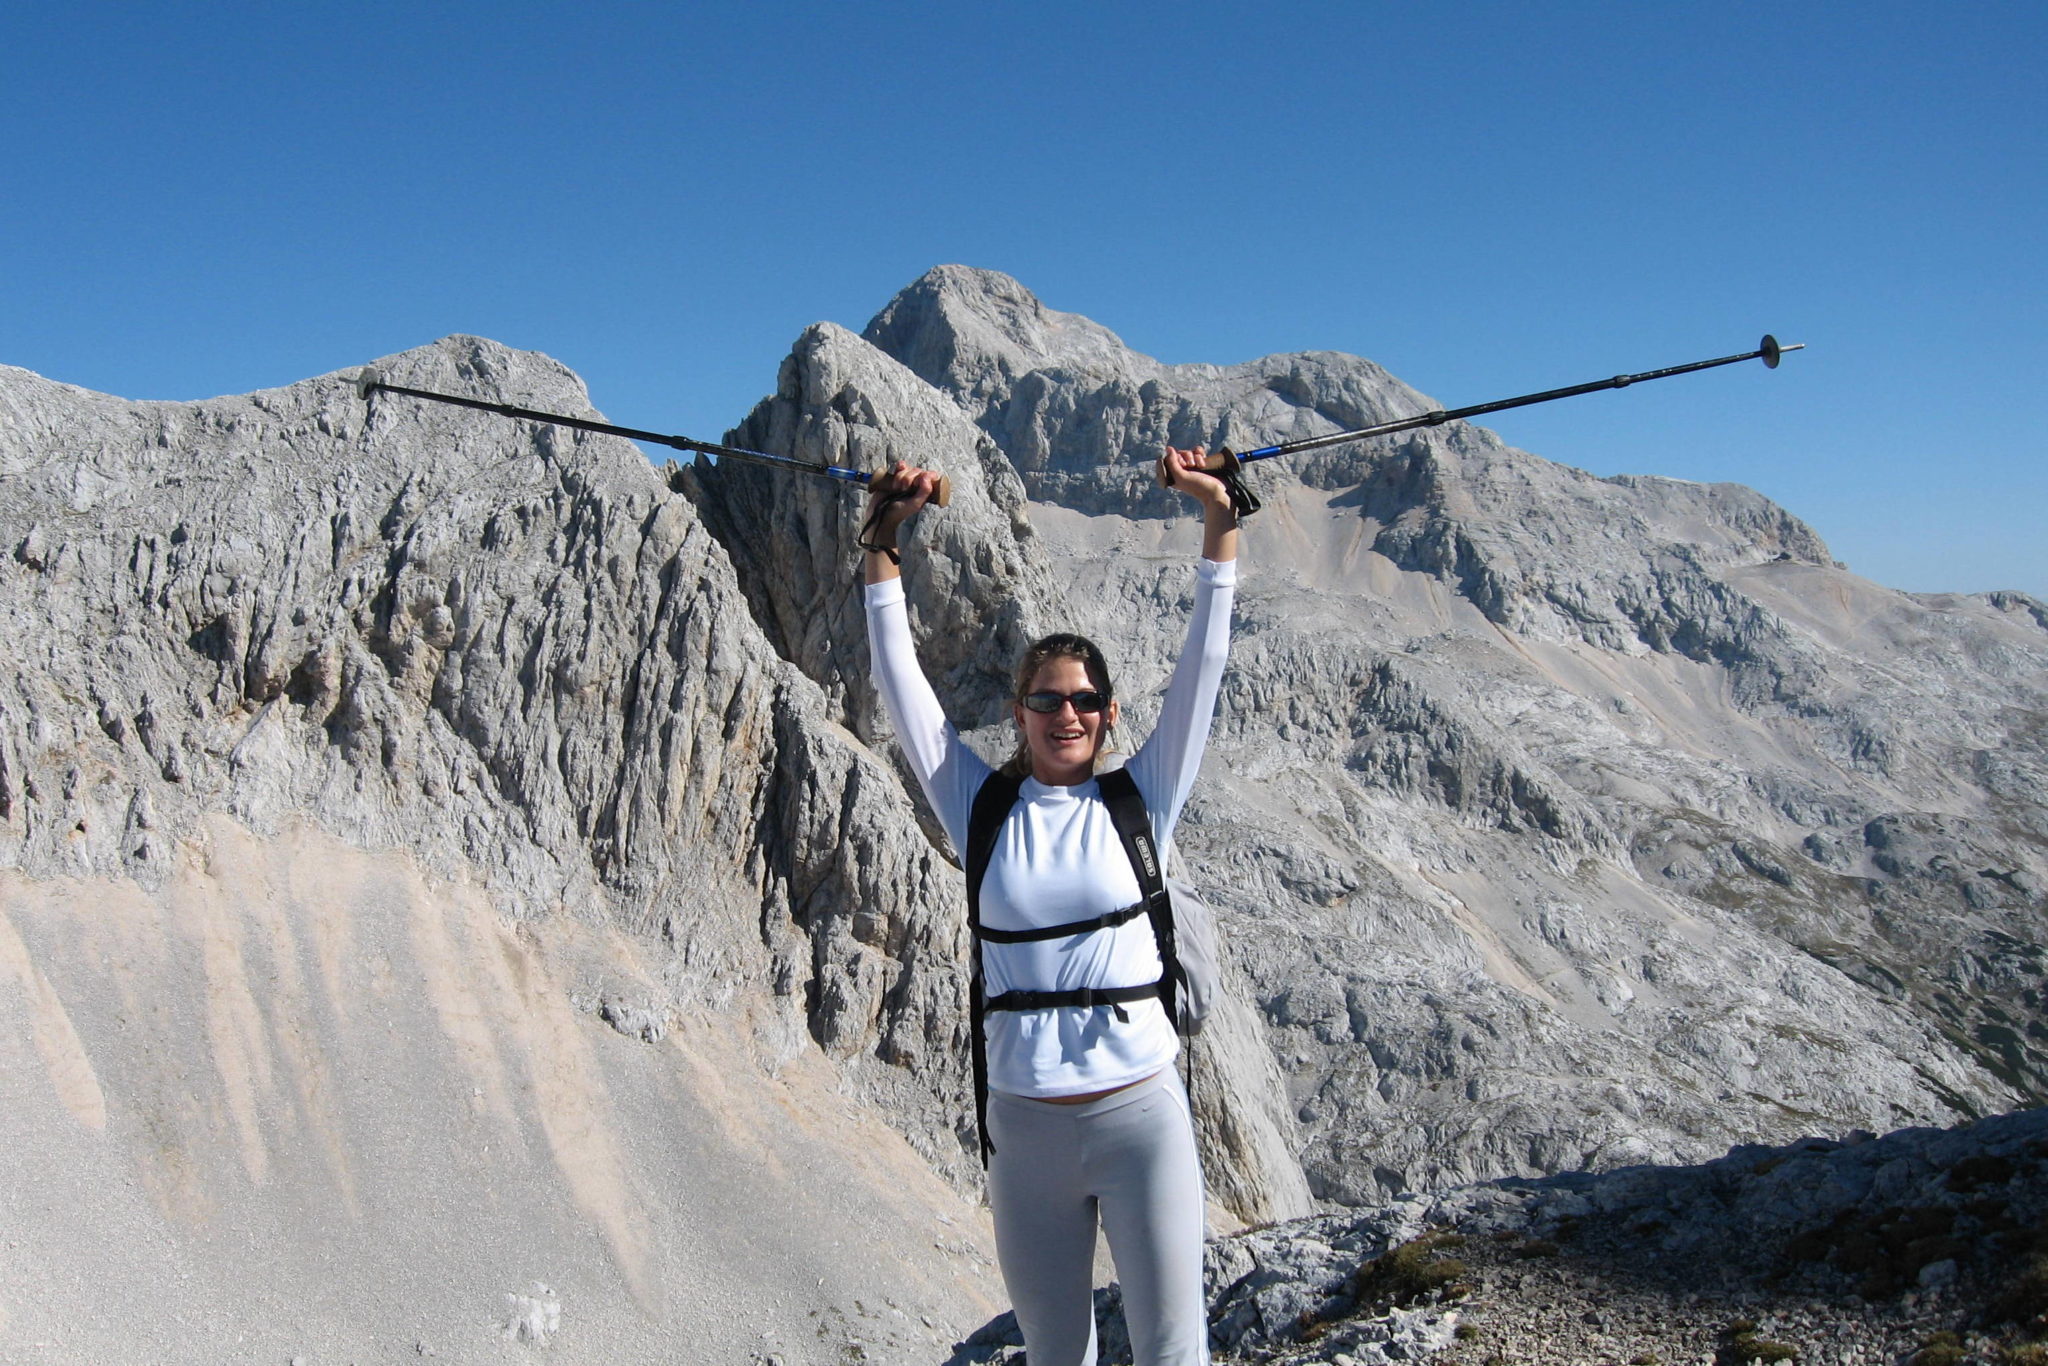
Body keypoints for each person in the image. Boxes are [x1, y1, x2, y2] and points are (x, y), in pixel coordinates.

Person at [859, 446, 1239, 1366]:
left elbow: (1206, 660)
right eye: (1045, 700)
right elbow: (899, 680)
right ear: (1020, 713)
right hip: (1025, 1131)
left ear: (1108, 715)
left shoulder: (1143, 797)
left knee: (1171, 1352)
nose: (1065, 714)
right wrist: (881, 537)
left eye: (1083, 701)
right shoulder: (978, 804)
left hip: (1143, 1115)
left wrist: (1219, 518)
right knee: (1053, 1355)